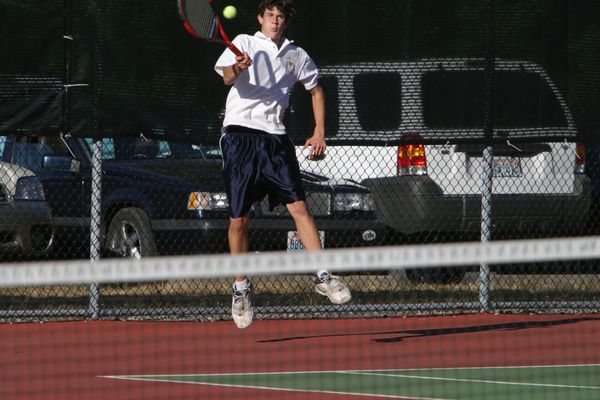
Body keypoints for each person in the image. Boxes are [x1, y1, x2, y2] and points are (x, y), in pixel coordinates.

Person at [214, 0, 351, 329]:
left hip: (276, 141)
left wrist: (320, 132)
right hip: (239, 138)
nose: (275, 22)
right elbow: (226, 79)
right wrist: (238, 68)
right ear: (260, 18)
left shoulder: (294, 54)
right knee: (238, 220)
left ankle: (322, 276)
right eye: (270, 16)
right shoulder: (244, 43)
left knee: (300, 207)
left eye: (281, 17)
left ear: (286, 22)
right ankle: (241, 288)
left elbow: (316, 91)